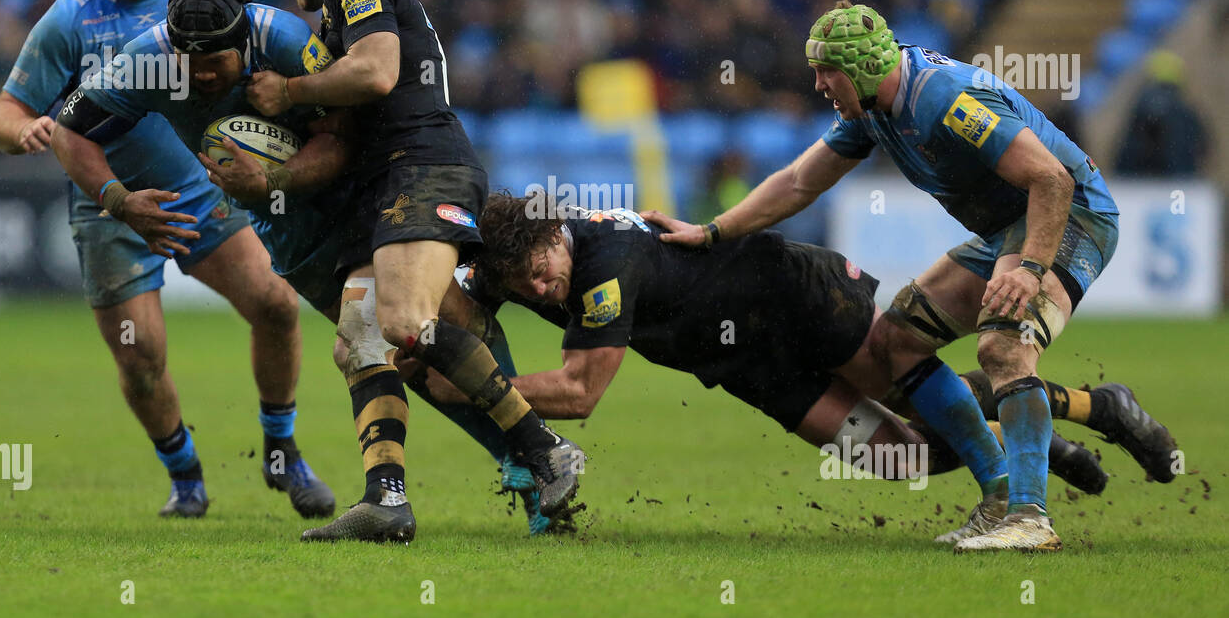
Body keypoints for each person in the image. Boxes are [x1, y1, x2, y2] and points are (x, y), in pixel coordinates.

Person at [647, 0, 1177, 552]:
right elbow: (801, 182)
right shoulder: (872, 110)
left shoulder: (944, 99)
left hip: (1069, 220)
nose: (820, 85)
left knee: (1003, 347)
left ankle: (1030, 519)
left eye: (828, 72)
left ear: (863, 69)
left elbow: (1051, 180)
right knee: (894, 344)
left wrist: (1031, 268)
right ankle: (1015, 483)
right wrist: (712, 233)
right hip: (1008, 228)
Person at [53, 0, 552, 537]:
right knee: (396, 354)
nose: (201, 75)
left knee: (423, 326)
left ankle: (527, 461)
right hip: (295, 241)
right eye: (187, 62)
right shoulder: (146, 59)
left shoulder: (286, 40)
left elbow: (342, 137)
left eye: (214, 62)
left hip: (362, 203)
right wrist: (119, 201)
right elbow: (66, 132)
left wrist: (273, 179)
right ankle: (517, 463)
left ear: (243, 44)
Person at [428, 195, 1176, 508]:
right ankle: (1039, 444)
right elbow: (466, 285)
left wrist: (472, 387)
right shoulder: (520, 261)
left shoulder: (599, 266)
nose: (541, 283)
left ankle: (1091, 407)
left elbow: (581, 393)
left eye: (544, 264)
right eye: (524, 280)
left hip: (794, 299)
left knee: (917, 386)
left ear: (559, 234)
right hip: (750, 366)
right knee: (902, 458)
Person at [241, 0, 584, 542]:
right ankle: (386, 499)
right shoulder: (339, 8)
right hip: (390, 184)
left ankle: (544, 450)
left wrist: (290, 91)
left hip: (423, 168)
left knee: (403, 323)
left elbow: (375, 74)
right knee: (359, 342)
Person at [0, 0, 331, 520]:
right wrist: (27, 129)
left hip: (198, 190)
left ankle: (282, 454)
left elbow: (257, 59)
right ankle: (186, 476)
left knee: (278, 305)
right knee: (141, 358)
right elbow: (2, 113)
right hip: (108, 202)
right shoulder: (68, 19)